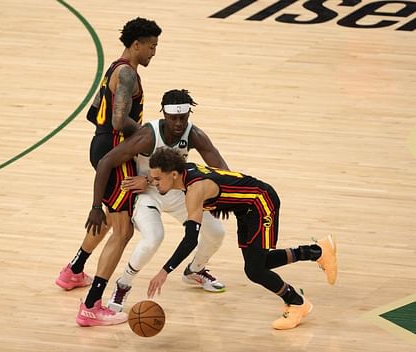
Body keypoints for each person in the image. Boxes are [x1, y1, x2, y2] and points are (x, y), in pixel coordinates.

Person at [146, 147, 338, 330]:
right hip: (245, 210)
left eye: (156, 179)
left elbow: (190, 240)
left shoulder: (194, 190)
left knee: (255, 270)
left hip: (262, 203)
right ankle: (317, 251)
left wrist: (164, 271)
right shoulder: (183, 171)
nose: (154, 183)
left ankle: (297, 303)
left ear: (173, 174)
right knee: (258, 264)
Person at [55, 17, 162, 327]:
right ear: (136, 44)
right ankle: (91, 306)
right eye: (152, 46)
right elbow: (118, 121)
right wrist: (146, 134)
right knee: (124, 229)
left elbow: (93, 112)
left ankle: (73, 271)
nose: (154, 53)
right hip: (116, 154)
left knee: (108, 215)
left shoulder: (114, 68)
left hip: (101, 146)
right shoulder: (128, 74)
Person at [94, 89, 228, 314]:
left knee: (216, 232)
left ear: (189, 115)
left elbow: (221, 170)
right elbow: (106, 161)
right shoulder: (148, 135)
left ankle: (195, 270)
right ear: (164, 114)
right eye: (173, 118)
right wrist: (96, 206)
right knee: (154, 237)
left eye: (183, 118)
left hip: (176, 191)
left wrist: (223, 198)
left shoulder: (194, 135)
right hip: (146, 193)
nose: (178, 123)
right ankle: (123, 284)